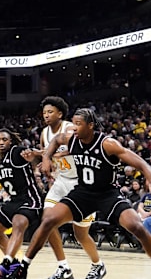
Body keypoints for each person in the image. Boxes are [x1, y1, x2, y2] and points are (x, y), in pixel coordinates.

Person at [5, 108, 151, 279]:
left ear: (90, 125)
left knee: (137, 227)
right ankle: (24, 267)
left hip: (107, 194)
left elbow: (142, 164)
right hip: (82, 193)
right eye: (73, 124)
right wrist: (46, 157)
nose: (73, 128)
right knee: (48, 219)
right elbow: (56, 140)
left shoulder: (108, 144)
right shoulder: (71, 140)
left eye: (78, 124)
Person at [37, 96, 104, 279]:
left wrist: (60, 154)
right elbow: (47, 153)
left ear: (60, 113)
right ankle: (63, 267)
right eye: (44, 113)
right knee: (47, 220)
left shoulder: (71, 128)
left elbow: (85, 146)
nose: (46, 115)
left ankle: (98, 265)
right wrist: (39, 157)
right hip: (61, 181)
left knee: (80, 233)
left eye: (50, 112)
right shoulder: (44, 133)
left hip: (81, 183)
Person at [0, 128, 43, 279]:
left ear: (11, 141)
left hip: (30, 198)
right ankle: (14, 264)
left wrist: (34, 159)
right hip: (13, 200)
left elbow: (40, 155)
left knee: (18, 223)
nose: (1, 142)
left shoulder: (18, 152)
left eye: (4, 139)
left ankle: (6, 263)